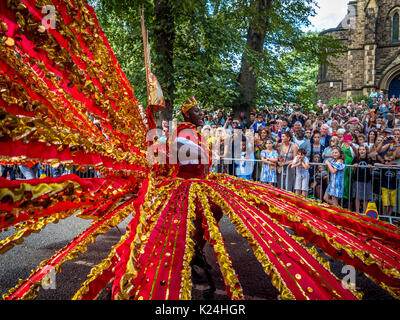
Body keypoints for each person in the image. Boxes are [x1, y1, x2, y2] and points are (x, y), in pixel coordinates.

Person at [352, 145, 373, 214]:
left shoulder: (369, 159)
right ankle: (357, 212)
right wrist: (354, 166)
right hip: (358, 179)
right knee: (357, 196)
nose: (362, 151)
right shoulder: (356, 158)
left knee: (365, 197)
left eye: (363, 149)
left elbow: (372, 168)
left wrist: (370, 166)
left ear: (366, 151)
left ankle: (364, 212)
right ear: (358, 151)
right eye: (360, 149)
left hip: (367, 180)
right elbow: (352, 168)